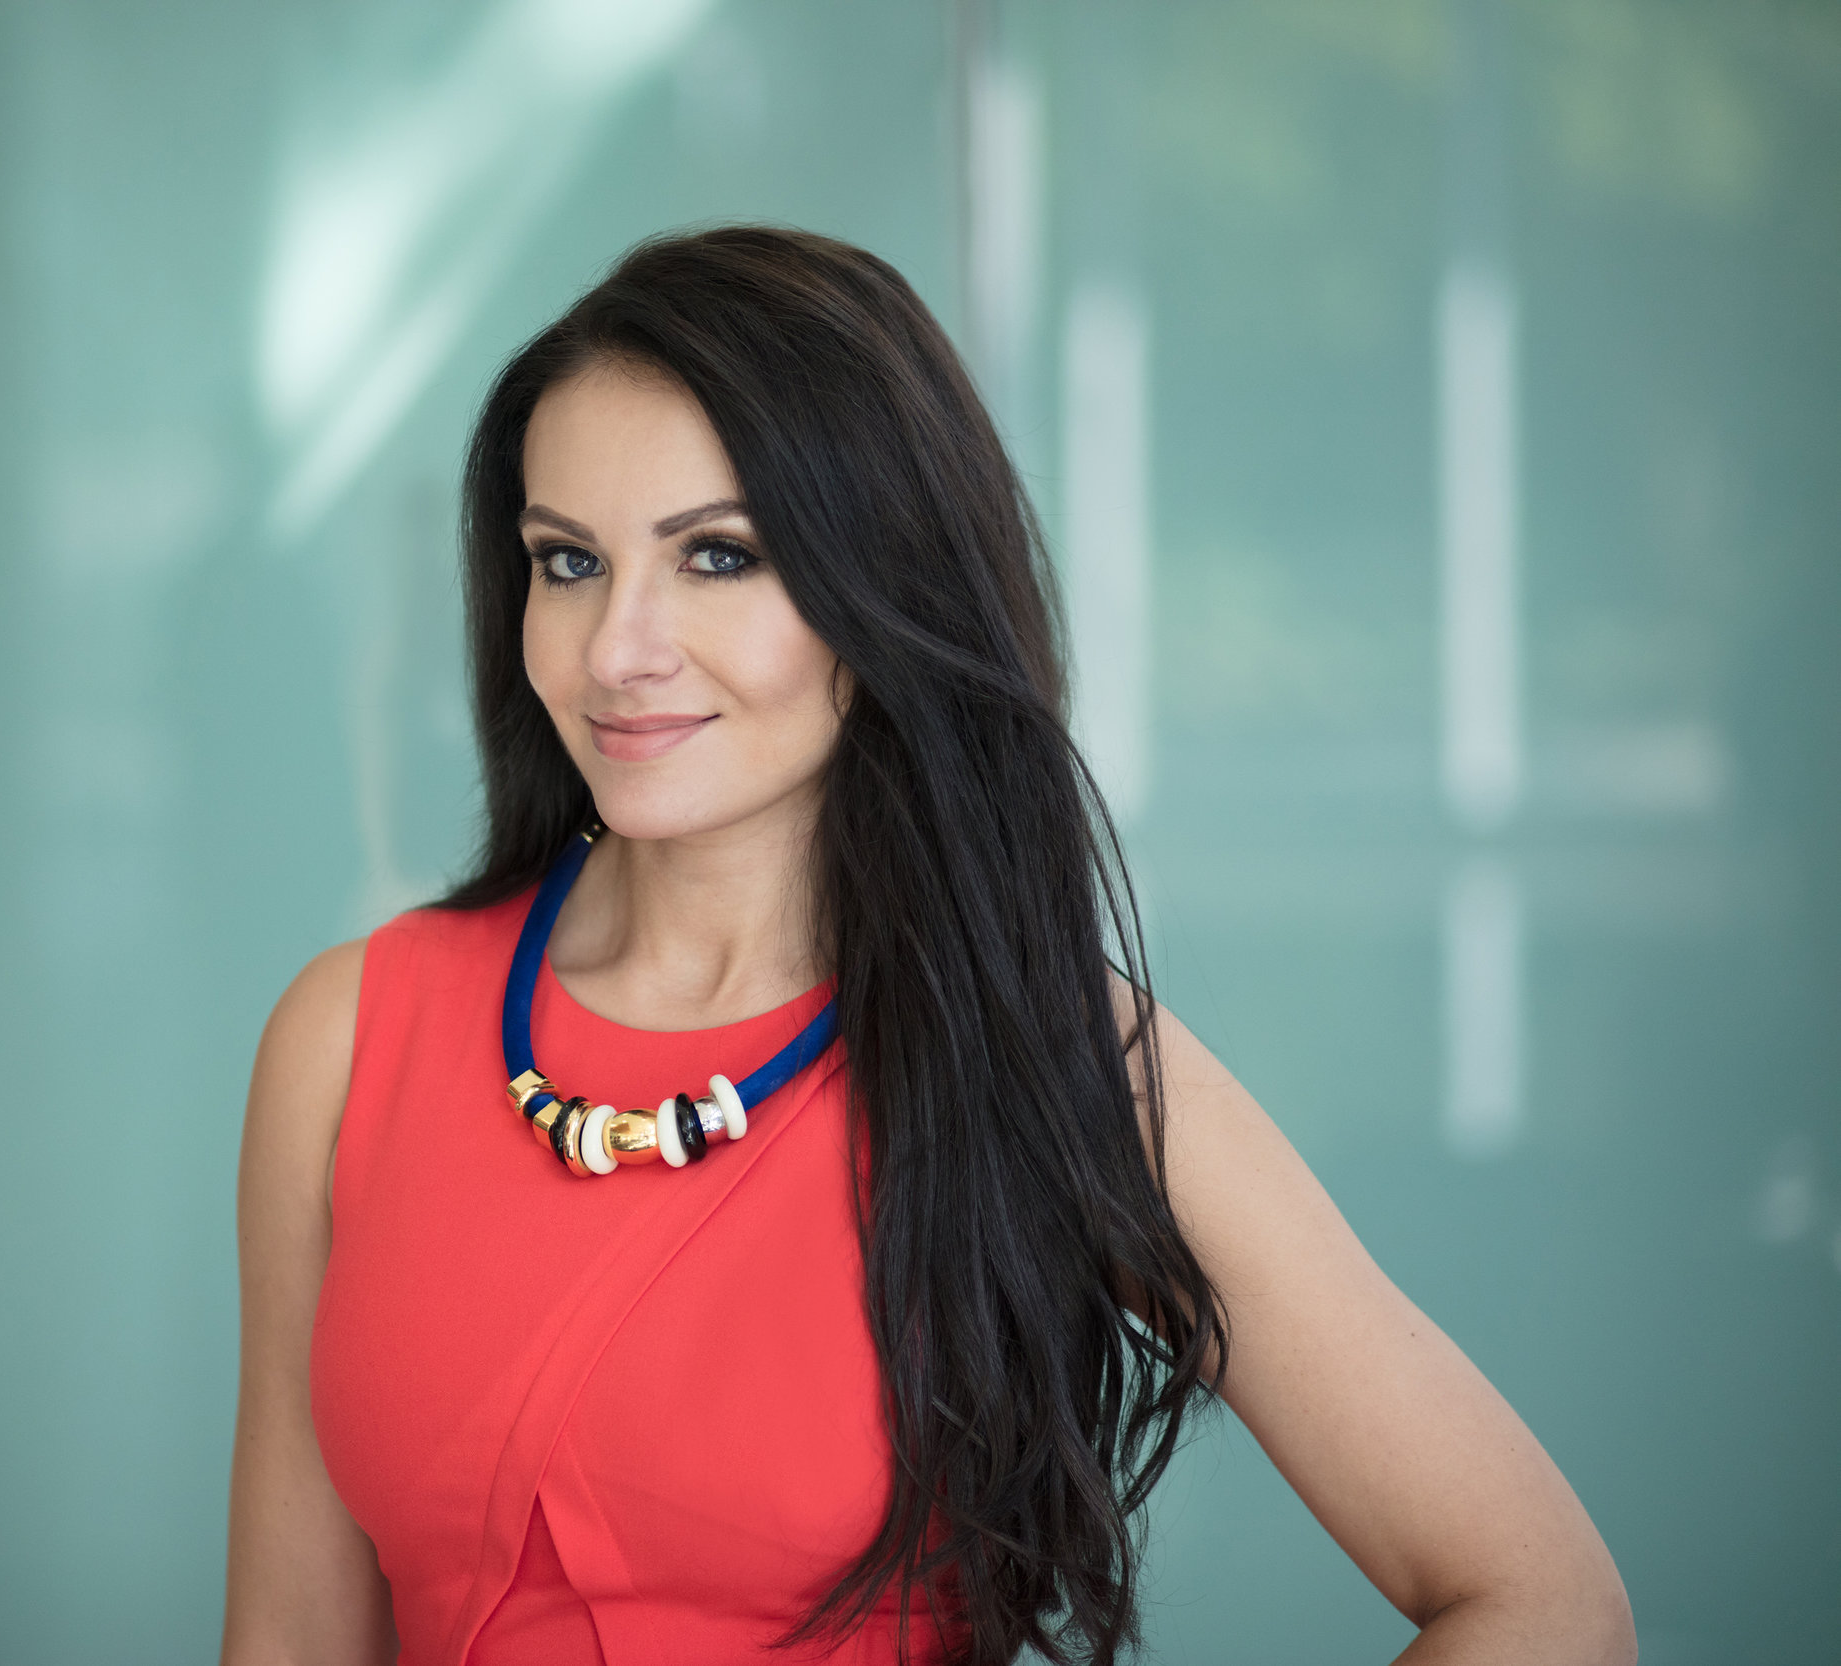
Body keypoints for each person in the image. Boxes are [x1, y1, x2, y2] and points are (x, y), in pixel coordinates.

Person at [220, 227, 1632, 1666]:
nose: (615, 649)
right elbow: (283, 1638)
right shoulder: (348, 1039)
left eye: (719, 556)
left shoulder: (1038, 1046)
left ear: (880, 583)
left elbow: (1545, 1603)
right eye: (567, 561)